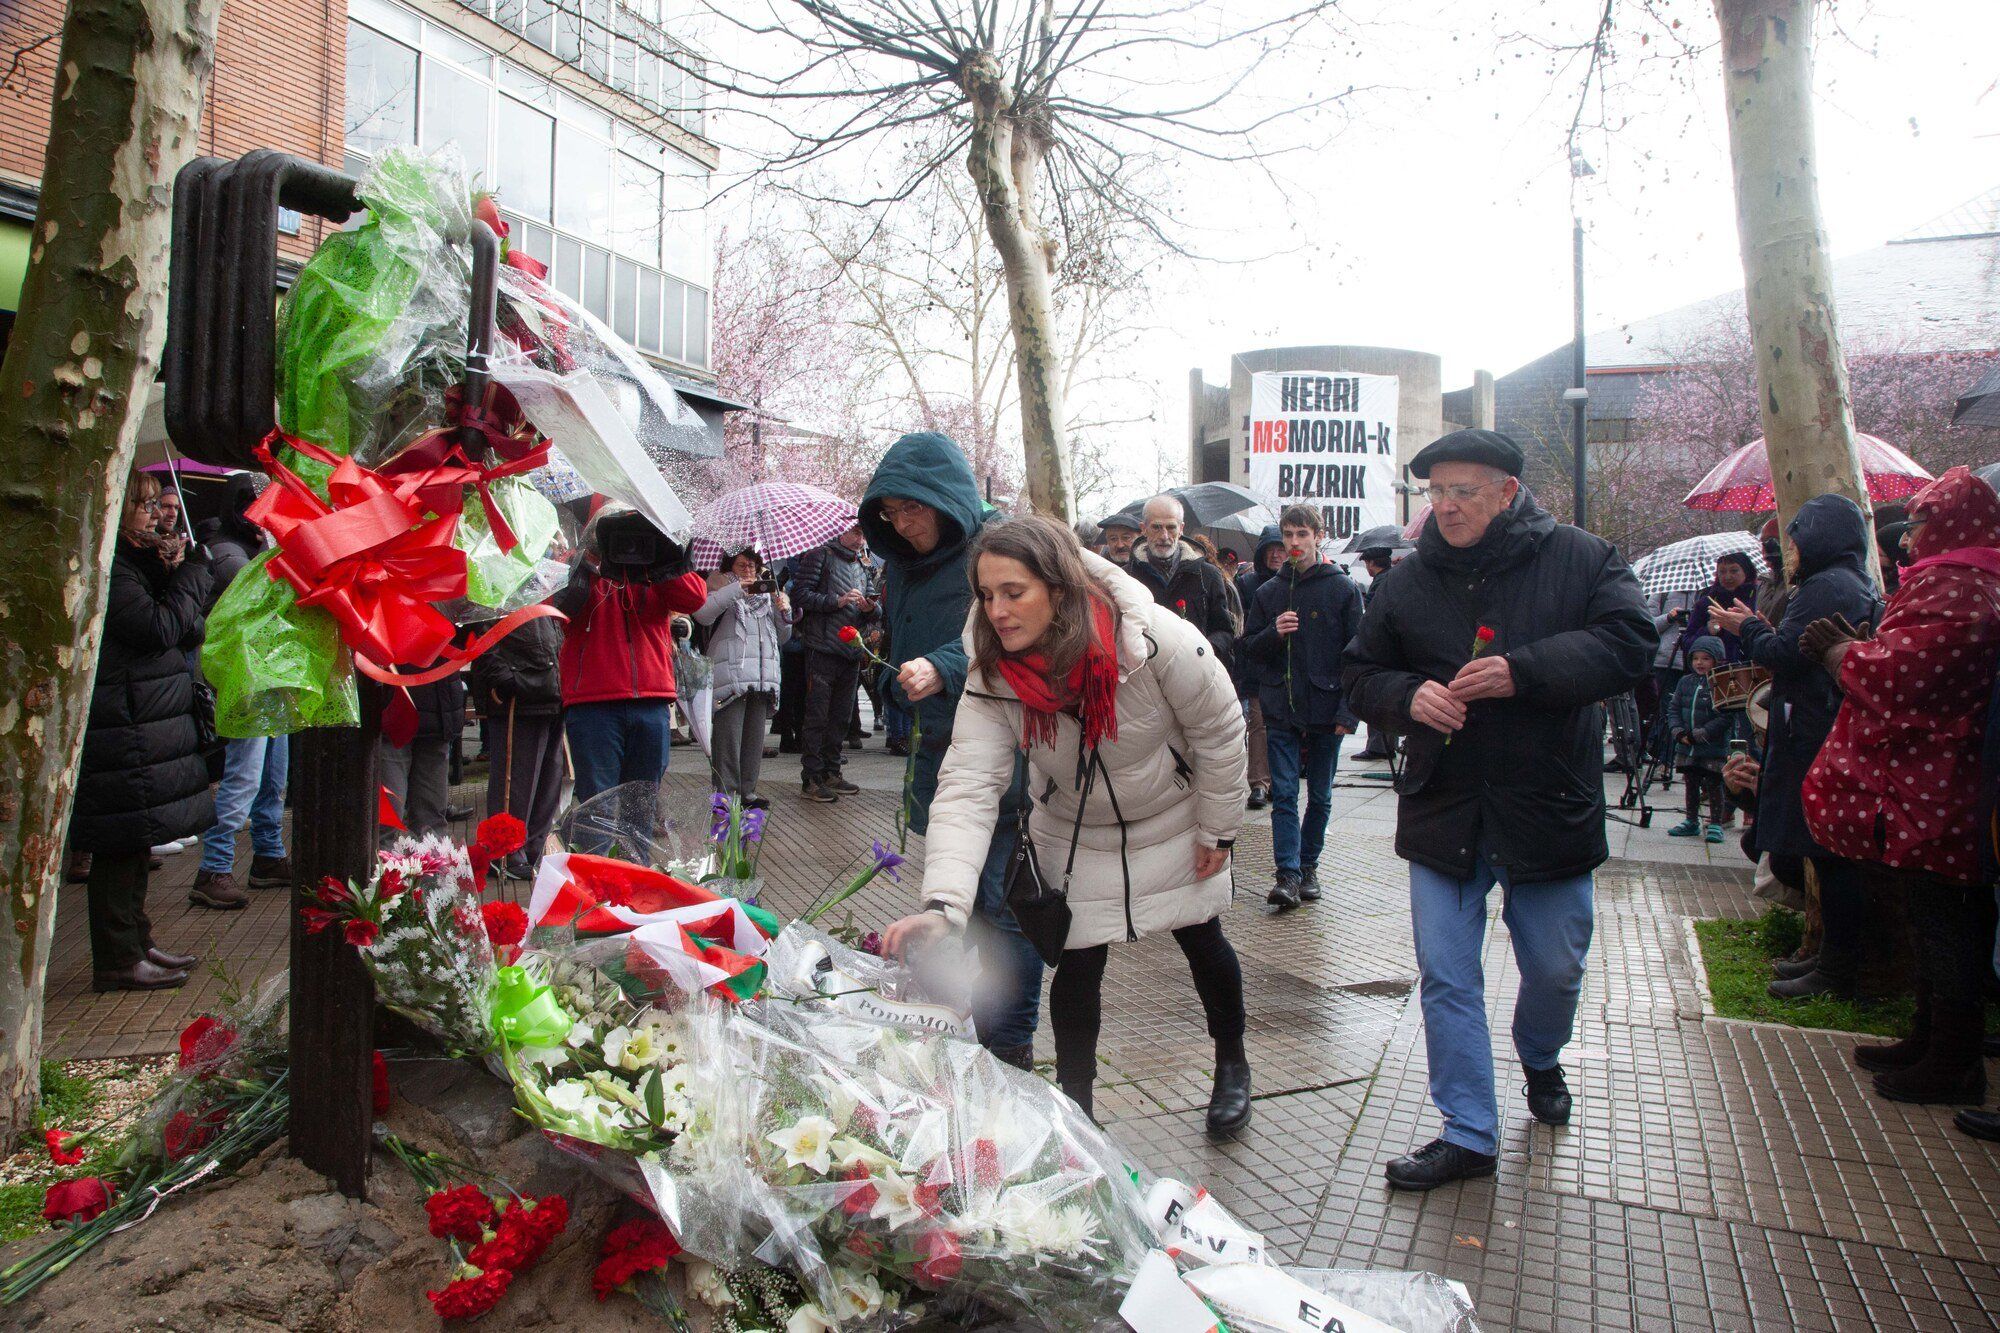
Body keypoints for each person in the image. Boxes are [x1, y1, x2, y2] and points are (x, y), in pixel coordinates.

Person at [1342, 429, 1654, 1190]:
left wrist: (1523, 671)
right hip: (1444, 807)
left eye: (1462, 491)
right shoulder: (1405, 584)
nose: (1443, 507)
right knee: (1446, 975)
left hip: (1547, 803)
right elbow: (1358, 672)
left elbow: (1631, 643)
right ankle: (1469, 1132)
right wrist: (1404, 696)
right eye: (1433, 493)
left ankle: (1541, 1056)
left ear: (1508, 491)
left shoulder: (1583, 559)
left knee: (1556, 964)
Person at [883, 517, 1253, 1138]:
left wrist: (1218, 828)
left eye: (1014, 591)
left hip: (1173, 818)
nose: (996, 610)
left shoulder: (1153, 638)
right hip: (1076, 829)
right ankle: (1077, 1108)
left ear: (1059, 586)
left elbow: (1219, 730)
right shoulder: (993, 672)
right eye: (986, 594)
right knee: (1077, 964)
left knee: (1203, 941)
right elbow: (969, 784)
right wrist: (944, 903)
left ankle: (1232, 1063)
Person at [1797, 468, 2000, 1105]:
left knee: (1948, 919)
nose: (1908, 540)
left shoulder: (1962, 585)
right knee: (1931, 912)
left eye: (1918, 525)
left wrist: (1840, 656)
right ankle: (1929, 1037)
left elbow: (1904, 677)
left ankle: (1955, 1058)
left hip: (1937, 782)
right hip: (1931, 780)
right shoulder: (1963, 580)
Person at [860, 432, 1044, 1069]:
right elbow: (900, 636)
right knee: (953, 897)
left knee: (1000, 910)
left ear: (944, 498)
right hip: (936, 751)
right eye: (890, 514)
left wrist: (941, 665)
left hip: (1002, 756)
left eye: (913, 509)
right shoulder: (899, 563)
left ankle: (1010, 1049)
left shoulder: (994, 550)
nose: (904, 525)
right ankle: (959, 1027)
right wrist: (887, 674)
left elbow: (1013, 640)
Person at [1710, 494, 1884, 1000]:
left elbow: (1789, 654)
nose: (1785, 550)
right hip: (1820, 725)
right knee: (1820, 856)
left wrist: (1749, 628)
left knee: (1829, 858)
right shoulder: (1851, 580)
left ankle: (1836, 969)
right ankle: (1827, 959)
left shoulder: (1825, 584)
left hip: (1812, 730)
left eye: (1792, 538)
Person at [74, 472, 216, 988]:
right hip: (122, 722)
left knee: (137, 842)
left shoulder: (142, 564)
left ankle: (137, 940)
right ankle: (117, 957)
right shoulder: (112, 568)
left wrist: (180, 574)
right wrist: (189, 580)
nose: (158, 515)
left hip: (144, 719)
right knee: (117, 843)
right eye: (145, 505)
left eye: (159, 504)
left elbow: (186, 627)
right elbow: (156, 628)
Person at [1242, 506, 1364, 909]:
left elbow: (1359, 656)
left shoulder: (1342, 589)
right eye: (1288, 535)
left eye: (1301, 534)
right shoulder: (1268, 592)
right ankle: (1288, 873)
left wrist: (1348, 712)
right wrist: (1273, 634)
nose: (1294, 543)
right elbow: (1250, 652)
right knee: (1285, 794)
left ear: (1317, 536)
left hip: (1326, 706)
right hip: (1281, 706)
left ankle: (1309, 865)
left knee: (1322, 795)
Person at [552, 506, 711, 803]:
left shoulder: (654, 566)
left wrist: (662, 555)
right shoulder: (580, 565)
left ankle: (633, 853)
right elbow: (558, 608)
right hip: (594, 706)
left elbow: (695, 598)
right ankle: (594, 853)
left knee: (641, 807)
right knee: (596, 807)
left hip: (650, 702)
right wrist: (594, 558)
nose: (625, 540)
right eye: (614, 529)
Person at [190, 472, 291, 903]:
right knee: (244, 778)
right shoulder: (230, 555)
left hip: (272, 676)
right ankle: (215, 867)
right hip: (248, 680)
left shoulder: (251, 547)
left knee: (273, 777)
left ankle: (267, 854)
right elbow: (262, 606)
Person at [469, 601, 567, 876]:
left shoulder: (542, 584)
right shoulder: (497, 587)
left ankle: (532, 850)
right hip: (521, 695)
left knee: (549, 779)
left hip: (551, 689)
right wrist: (505, 678)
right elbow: (481, 636)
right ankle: (506, 854)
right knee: (516, 780)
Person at [694, 549, 790, 810]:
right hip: (731, 677)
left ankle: (748, 792)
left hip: (762, 677)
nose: (749, 570)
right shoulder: (720, 587)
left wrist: (783, 609)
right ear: (730, 566)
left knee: (753, 740)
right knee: (728, 739)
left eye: (753, 565)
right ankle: (725, 795)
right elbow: (703, 614)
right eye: (742, 565)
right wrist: (737, 590)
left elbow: (783, 637)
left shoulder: (768, 594)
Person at [793, 524, 878, 802]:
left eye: (863, 534)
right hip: (822, 647)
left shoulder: (863, 564)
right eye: (856, 533)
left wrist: (870, 608)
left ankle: (832, 770)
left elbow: (872, 607)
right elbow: (800, 595)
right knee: (817, 715)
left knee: (840, 716)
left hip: (851, 649)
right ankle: (812, 777)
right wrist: (836, 600)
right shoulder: (820, 555)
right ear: (841, 531)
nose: (860, 539)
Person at [1126, 496, 1237, 663]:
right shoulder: (1127, 577)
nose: (1164, 536)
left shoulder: (1208, 576)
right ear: (1143, 529)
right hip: (1144, 675)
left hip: (1195, 670)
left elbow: (1224, 631)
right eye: (1156, 527)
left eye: (1171, 527)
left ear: (1181, 529)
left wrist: (1203, 650)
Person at [1665, 636, 1744, 844]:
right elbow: (1673, 708)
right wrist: (1677, 730)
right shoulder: (1685, 682)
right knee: (1690, 782)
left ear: (1717, 660)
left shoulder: (1722, 683)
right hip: (1687, 746)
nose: (1699, 663)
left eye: (1706, 658)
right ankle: (1690, 820)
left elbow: (1726, 716)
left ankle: (1716, 822)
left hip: (1712, 746)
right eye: (1696, 658)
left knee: (1713, 783)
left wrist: (1704, 733)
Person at [1234, 525, 1287, 807]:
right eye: (1272, 549)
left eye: (1281, 549)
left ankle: (1280, 780)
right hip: (1258, 665)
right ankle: (1259, 783)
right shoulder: (1248, 584)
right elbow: (1243, 630)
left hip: (1288, 668)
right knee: (1259, 724)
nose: (1277, 555)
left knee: (1284, 727)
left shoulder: (1294, 582)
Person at [379, 673, 466, 837]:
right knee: (389, 820)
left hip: (437, 714)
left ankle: (433, 859)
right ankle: (386, 859)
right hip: (393, 713)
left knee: (431, 823)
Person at [1351, 539, 1404, 762]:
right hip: (1397, 648)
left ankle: (1378, 746)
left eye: (1366, 564)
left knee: (1377, 695)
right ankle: (1388, 744)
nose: (1367, 568)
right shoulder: (1397, 578)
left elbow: (1372, 618)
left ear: (1372, 563)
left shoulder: (1380, 582)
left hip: (1381, 649)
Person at [1686, 552, 1760, 662]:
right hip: (1717, 671)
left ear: (1746, 571)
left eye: (1734, 571)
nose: (1727, 576)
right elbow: (1687, 642)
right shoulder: (1706, 603)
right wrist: (1707, 631)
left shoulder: (1758, 597)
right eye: (1722, 571)